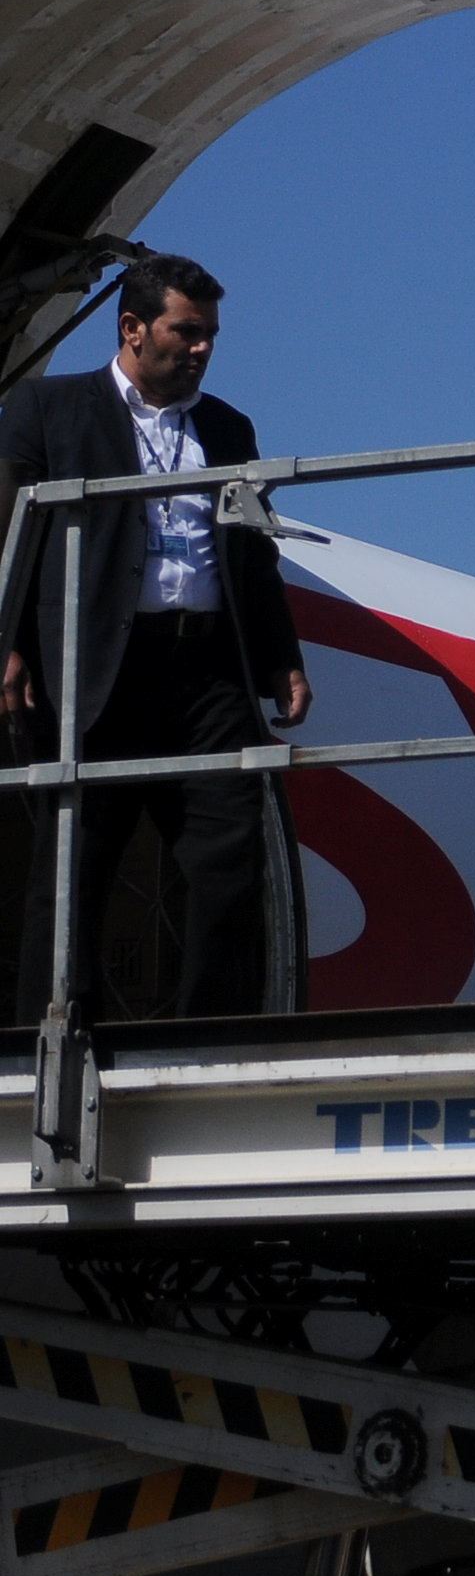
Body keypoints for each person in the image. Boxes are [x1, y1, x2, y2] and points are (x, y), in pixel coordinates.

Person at [0, 253, 310, 1022]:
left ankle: (210, 1031)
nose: (202, 348)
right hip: (99, 670)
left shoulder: (228, 426)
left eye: (210, 335)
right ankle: (58, 1027)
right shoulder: (47, 408)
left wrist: (280, 657)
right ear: (132, 328)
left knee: (229, 857)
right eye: (187, 332)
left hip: (204, 670)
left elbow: (252, 550)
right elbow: (6, 537)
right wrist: (3, 644)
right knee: (75, 862)